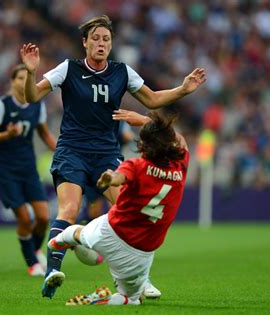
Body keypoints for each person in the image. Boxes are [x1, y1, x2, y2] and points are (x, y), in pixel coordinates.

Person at [20, 14, 206, 298]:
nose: (101, 43)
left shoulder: (122, 72)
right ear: (84, 43)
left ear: (111, 44)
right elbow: (31, 98)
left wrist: (183, 89)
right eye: (95, 38)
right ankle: (52, 271)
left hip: (106, 153)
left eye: (106, 39)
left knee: (132, 213)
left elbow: (153, 99)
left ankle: (138, 281)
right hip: (72, 150)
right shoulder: (68, 69)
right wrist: (32, 72)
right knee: (69, 210)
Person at [49, 112, 189, 305]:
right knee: (131, 300)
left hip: (113, 232)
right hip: (143, 253)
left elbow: (119, 177)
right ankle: (102, 298)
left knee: (74, 233)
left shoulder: (137, 165)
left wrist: (110, 178)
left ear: (143, 146)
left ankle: (56, 243)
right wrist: (147, 121)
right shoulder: (181, 165)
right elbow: (179, 139)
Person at [0, 64, 57, 277]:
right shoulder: (2, 104)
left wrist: (62, 150)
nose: (22, 82)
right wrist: (5, 135)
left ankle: (34, 251)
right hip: (7, 169)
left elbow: (45, 134)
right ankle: (32, 262)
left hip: (28, 167)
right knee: (25, 219)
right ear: (12, 81)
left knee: (44, 217)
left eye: (26, 78)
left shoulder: (37, 105)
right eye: (19, 78)